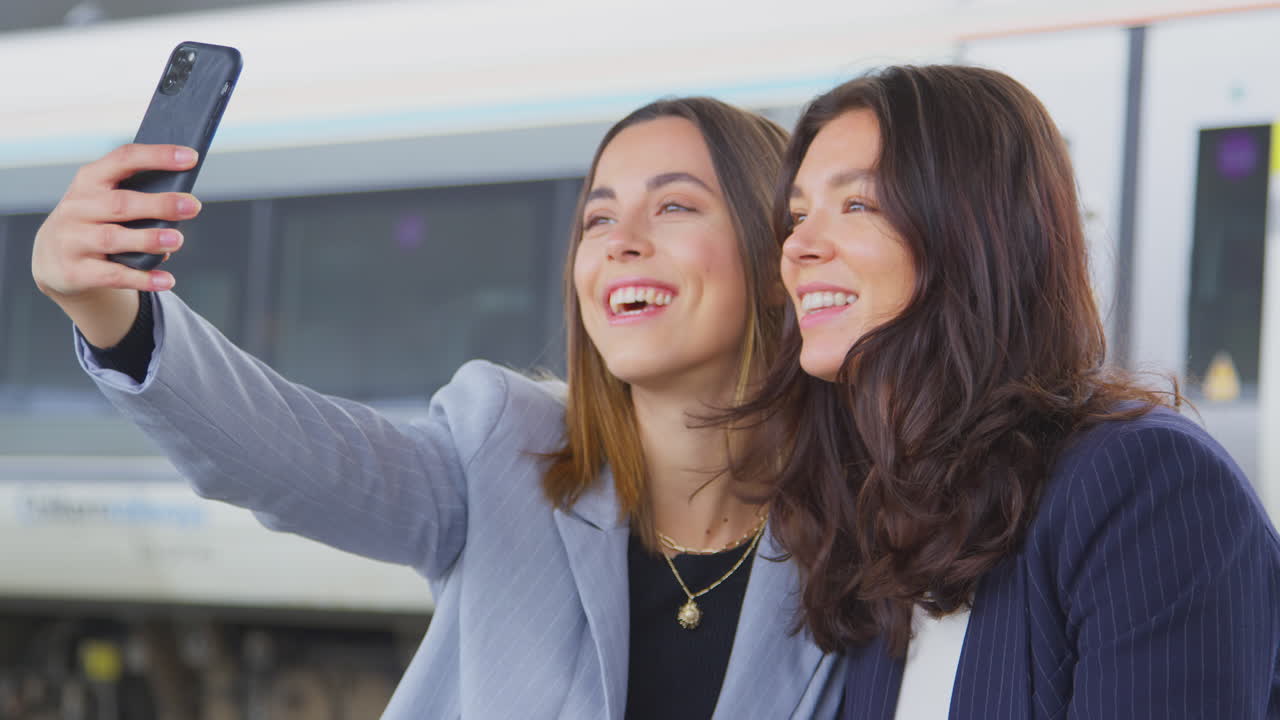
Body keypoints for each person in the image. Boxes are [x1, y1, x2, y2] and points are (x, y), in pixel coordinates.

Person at [31, 98, 845, 719]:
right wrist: (112, 314)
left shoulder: (873, 526)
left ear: (779, 255)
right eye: (598, 216)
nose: (619, 241)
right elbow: (286, 453)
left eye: (673, 206)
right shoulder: (506, 450)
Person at [731, 65, 1280, 718]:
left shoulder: (1147, 485)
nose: (797, 247)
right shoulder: (882, 508)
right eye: (797, 216)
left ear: (972, 231)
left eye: (857, 204)